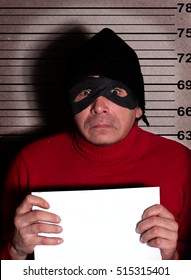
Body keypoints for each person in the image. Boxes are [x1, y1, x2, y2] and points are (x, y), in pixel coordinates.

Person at [1, 28, 191, 260]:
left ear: (139, 107)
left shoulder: (182, 163)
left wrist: (172, 257)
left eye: (117, 91)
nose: (99, 106)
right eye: (86, 92)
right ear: (70, 107)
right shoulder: (29, 162)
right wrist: (15, 250)